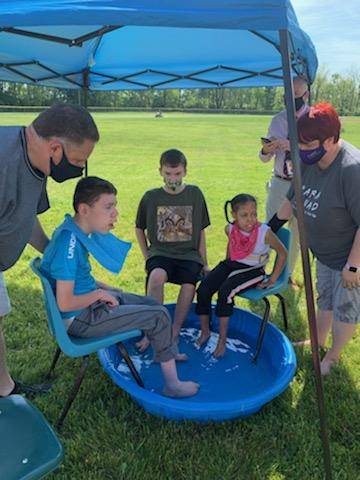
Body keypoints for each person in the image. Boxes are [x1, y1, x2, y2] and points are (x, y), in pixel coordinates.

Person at [40, 176, 199, 398]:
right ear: (84, 209)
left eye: (114, 206)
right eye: (108, 207)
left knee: (152, 303)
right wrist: (99, 293)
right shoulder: (70, 243)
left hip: (87, 306)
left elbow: (74, 278)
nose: (115, 214)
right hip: (82, 318)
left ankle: (164, 352)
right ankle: (172, 384)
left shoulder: (72, 230)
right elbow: (64, 301)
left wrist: (104, 288)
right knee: (159, 314)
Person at [0, 103, 99, 398]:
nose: (80, 170)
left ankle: (4, 387)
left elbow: (26, 214)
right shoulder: (4, 161)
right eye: (79, 161)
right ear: (55, 148)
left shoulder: (37, 162)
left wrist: (50, 251)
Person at [269, 103, 360, 375]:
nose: (303, 150)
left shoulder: (351, 169)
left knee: (346, 306)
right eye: (301, 144)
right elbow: (291, 199)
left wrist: (353, 266)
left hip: (349, 256)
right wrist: (268, 229)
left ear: (331, 140)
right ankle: (319, 340)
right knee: (326, 298)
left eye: (309, 145)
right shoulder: (307, 159)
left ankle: (333, 356)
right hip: (323, 251)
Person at [135, 149, 210, 351]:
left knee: (189, 283)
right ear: (160, 171)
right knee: (157, 276)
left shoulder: (195, 194)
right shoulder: (151, 197)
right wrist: (146, 255)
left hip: (189, 254)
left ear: (185, 171)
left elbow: (201, 231)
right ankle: (154, 330)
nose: (172, 179)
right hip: (160, 253)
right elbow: (138, 228)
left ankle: (175, 329)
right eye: (168, 174)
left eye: (177, 174)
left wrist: (205, 262)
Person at [196, 194, 287, 358]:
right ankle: (205, 331)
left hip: (254, 270)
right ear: (234, 215)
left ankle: (222, 340)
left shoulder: (264, 233)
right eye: (244, 215)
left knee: (225, 292)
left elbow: (283, 253)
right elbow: (231, 245)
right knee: (203, 289)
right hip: (232, 264)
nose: (250, 219)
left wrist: (272, 279)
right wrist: (224, 266)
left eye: (254, 214)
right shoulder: (230, 228)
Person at [259, 76, 309, 286]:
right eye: (288, 95)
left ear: (305, 94)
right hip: (279, 182)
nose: (292, 98)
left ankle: (286, 274)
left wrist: (291, 145)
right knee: (269, 229)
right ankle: (260, 269)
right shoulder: (277, 120)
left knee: (297, 233)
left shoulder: (313, 119)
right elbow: (264, 157)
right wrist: (266, 150)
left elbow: (317, 150)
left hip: (303, 182)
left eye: (296, 95)